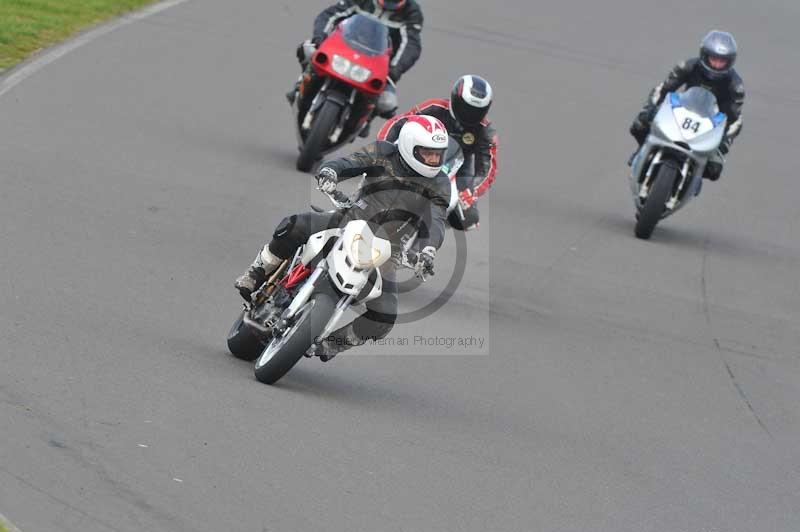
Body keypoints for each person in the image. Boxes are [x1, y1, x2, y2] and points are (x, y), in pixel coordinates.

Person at [234, 115, 450, 360]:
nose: (434, 160)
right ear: (410, 146)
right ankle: (256, 272)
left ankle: (333, 344)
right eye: (427, 153)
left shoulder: (440, 183)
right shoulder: (383, 152)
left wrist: (428, 250)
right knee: (294, 225)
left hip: (386, 251)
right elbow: (351, 162)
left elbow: (438, 221)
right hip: (349, 221)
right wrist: (331, 171)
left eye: (438, 154)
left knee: (385, 317)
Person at [378, 75, 498, 230]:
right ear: (455, 99)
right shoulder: (434, 106)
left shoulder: (486, 131)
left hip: (459, 166)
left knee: (468, 219)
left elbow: (488, 169)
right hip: (419, 151)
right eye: (466, 108)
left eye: (476, 111)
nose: (469, 115)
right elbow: (398, 122)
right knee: (380, 166)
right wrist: (382, 147)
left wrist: (471, 192)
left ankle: (423, 241)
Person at [630, 30, 745, 182]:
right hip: (683, 109)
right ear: (704, 55)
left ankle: (693, 178)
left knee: (714, 170)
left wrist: (722, 146)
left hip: (710, 122)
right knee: (639, 125)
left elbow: (735, 120)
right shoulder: (687, 66)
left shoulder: (735, 85)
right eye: (714, 59)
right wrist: (649, 109)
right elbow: (663, 89)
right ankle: (641, 151)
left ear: (729, 62)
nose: (717, 64)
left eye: (721, 61)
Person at [288, 0, 425, 125]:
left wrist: (395, 69)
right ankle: (301, 84)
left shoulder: (411, 12)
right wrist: (319, 37)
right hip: (342, 48)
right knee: (307, 49)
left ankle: (365, 120)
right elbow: (330, 14)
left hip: (378, 64)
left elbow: (411, 45)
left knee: (387, 103)